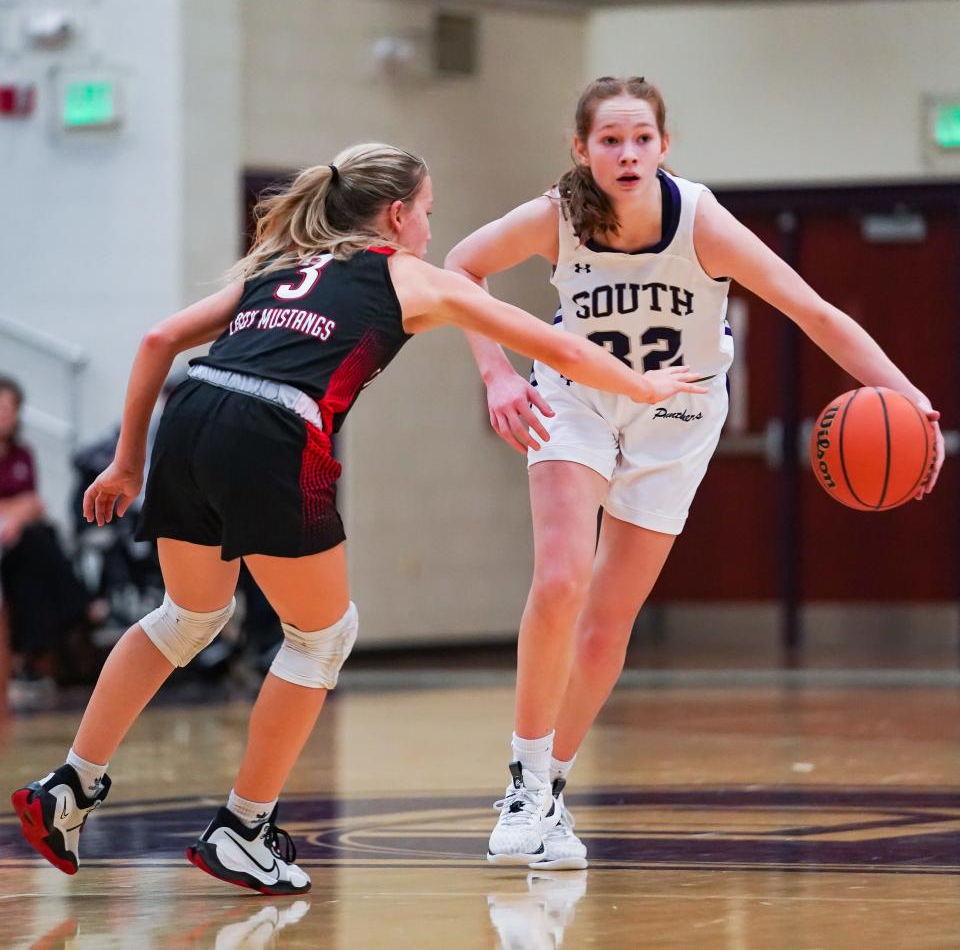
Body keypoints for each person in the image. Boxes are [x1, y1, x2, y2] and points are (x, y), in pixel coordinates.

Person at [10, 141, 704, 895]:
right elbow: (555, 342)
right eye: (429, 214)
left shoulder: (276, 265)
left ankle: (71, 785)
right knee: (323, 637)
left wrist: (126, 463)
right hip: (272, 429)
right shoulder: (408, 275)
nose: (433, 233)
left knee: (186, 616)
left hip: (192, 410)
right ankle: (243, 828)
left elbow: (156, 341)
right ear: (398, 215)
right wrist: (638, 385)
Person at [444, 76, 945, 870]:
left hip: (677, 415)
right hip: (575, 399)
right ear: (582, 150)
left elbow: (815, 312)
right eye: (610, 139)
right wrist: (498, 375)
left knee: (610, 623)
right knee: (560, 581)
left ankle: (556, 793)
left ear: (665, 146)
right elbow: (459, 270)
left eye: (642, 138)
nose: (628, 153)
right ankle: (523, 778)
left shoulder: (702, 222)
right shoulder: (557, 216)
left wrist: (909, 398)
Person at [0, 375, 92, 700]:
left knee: (38, 546)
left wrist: (17, 514)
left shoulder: (22, 453)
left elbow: (35, 503)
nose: (5, 415)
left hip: (18, 540)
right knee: (39, 544)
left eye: (10, 408)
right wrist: (16, 511)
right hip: (10, 537)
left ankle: (37, 652)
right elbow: (25, 503)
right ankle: (79, 606)